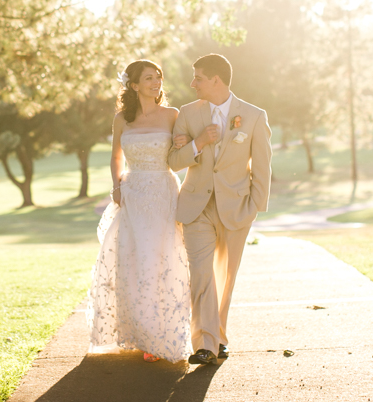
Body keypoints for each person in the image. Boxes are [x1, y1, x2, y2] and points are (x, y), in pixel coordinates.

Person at [167, 54, 272, 365]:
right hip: (196, 207)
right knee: (201, 275)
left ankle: (219, 338)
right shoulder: (186, 113)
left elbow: (263, 166)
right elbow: (173, 162)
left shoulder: (253, 116)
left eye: (198, 77)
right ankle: (204, 344)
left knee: (225, 276)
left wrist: (254, 206)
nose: (192, 83)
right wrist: (198, 143)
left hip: (237, 208)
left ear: (216, 80)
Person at [86, 59, 192, 363]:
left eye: (158, 77)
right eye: (148, 78)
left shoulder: (173, 115)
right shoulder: (122, 119)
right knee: (133, 261)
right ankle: (138, 333)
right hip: (133, 194)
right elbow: (116, 157)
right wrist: (117, 187)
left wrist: (183, 141)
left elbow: (182, 152)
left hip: (162, 192)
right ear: (133, 85)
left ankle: (161, 336)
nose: (156, 82)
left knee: (161, 260)